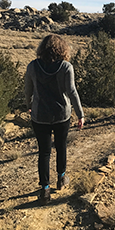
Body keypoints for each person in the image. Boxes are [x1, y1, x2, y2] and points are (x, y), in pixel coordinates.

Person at [24, 34, 84, 206]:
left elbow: (28, 90)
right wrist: (80, 114)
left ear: (42, 48)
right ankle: (61, 178)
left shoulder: (33, 66)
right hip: (61, 115)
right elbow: (72, 92)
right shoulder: (66, 67)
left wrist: (29, 104)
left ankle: (44, 189)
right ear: (62, 48)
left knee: (44, 152)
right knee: (61, 146)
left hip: (39, 115)